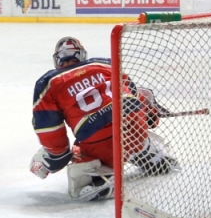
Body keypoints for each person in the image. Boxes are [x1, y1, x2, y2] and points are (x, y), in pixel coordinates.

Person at [30, 37, 177, 201]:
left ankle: (99, 178)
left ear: (57, 60)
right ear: (82, 55)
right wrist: (151, 117)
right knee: (129, 121)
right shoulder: (106, 63)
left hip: (97, 140)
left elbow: (50, 130)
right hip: (135, 129)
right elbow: (139, 94)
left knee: (79, 159)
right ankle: (149, 153)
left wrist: (54, 158)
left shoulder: (48, 82)